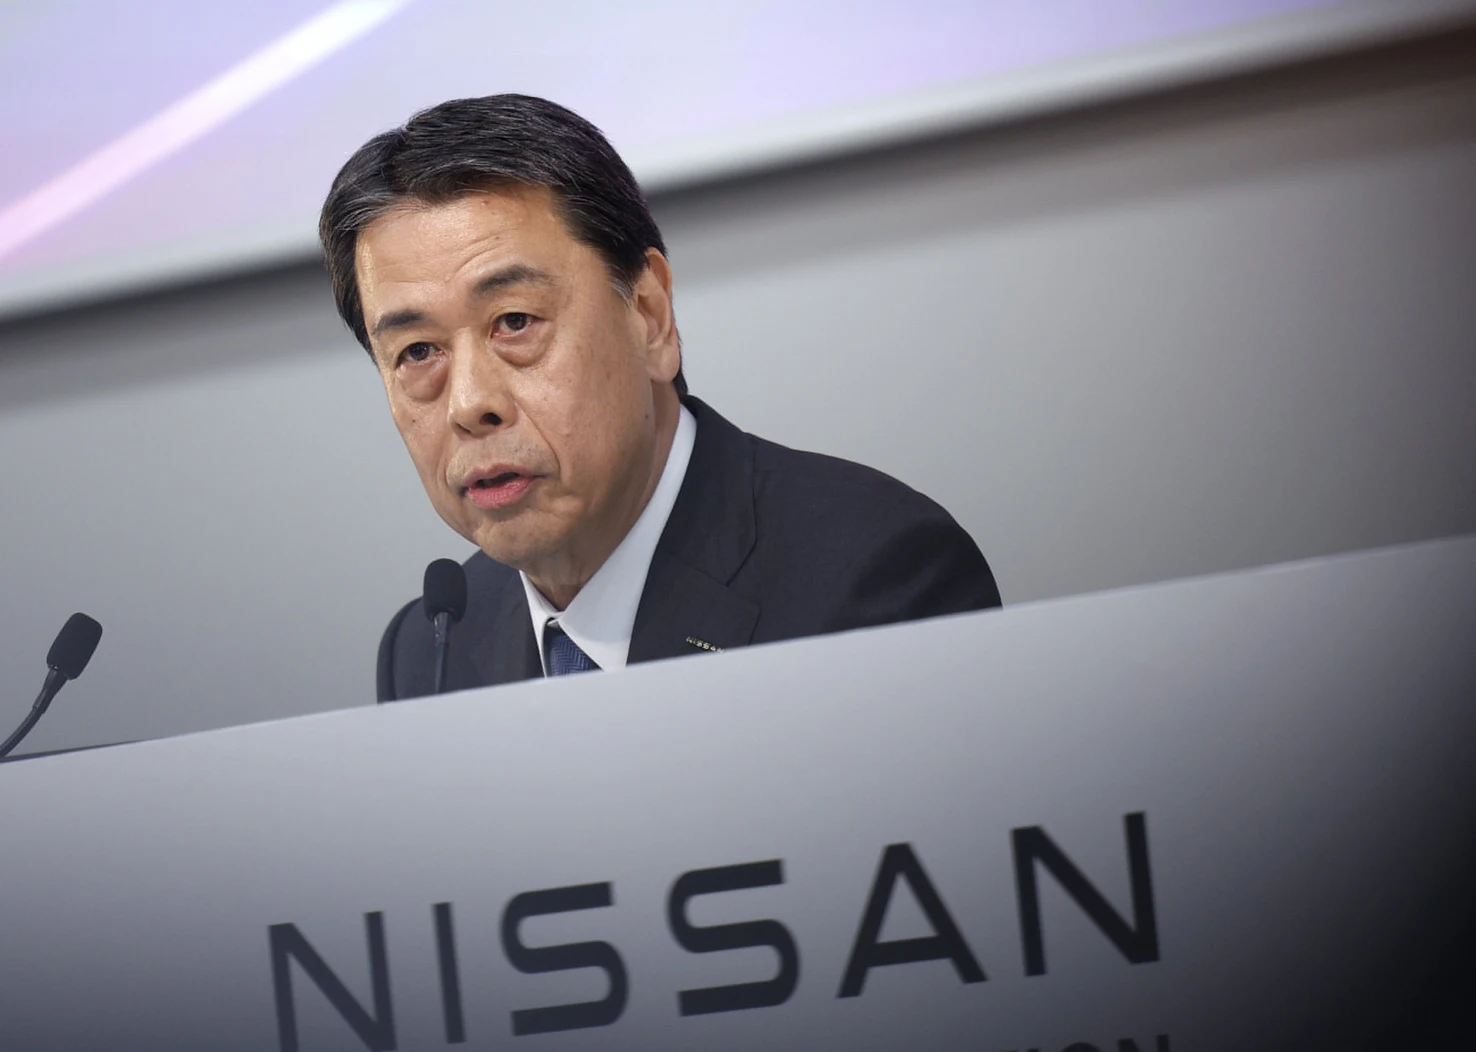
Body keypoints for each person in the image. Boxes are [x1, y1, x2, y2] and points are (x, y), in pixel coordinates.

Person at [319, 94, 1000, 701]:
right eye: (417, 353)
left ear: (648, 314)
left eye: (516, 322)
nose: (470, 402)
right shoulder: (430, 652)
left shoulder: (872, 579)